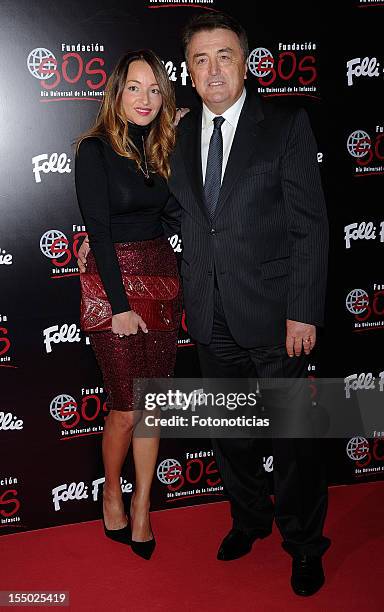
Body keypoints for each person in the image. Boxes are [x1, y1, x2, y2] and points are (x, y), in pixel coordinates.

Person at [78, 12, 330, 595]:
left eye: (225, 56)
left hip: (275, 315)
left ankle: (304, 543)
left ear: (246, 61)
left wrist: (305, 310)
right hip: (207, 315)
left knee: (292, 438)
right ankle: (248, 521)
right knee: (231, 436)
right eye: (200, 59)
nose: (213, 69)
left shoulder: (285, 126)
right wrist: (103, 235)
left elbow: (310, 227)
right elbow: (170, 212)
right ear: (187, 72)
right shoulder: (178, 137)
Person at [75, 49, 182, 560]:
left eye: (155, 89)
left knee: (152, 406)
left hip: (161, 278)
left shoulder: (164, 146)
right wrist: (118, 305)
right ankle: (111, 489)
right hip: (112, 283)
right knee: (124, 407)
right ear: (116, 93)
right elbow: (97, 229)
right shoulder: (93, 150)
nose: (145, 99)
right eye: (134, 88)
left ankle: (142, 507)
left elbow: (176, 214)